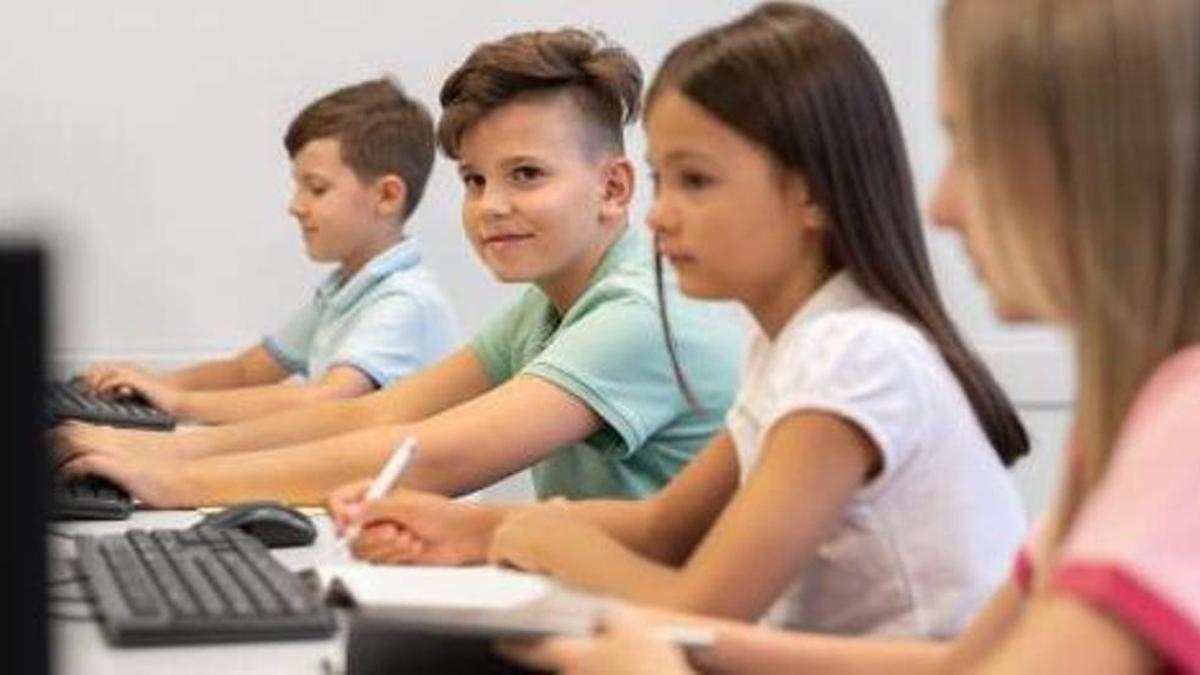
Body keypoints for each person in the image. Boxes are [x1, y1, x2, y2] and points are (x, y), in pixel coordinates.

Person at [501, 0, 1200, 671]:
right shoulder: (1131, 432)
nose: (943, 205)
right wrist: (666, 640)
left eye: (971, 148)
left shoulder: (854, 351)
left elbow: (699, 595)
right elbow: (959, 666)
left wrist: (649, 640)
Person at [332, 2, 1028, 639]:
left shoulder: (853, 354)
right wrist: (471, 528)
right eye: (664, 181)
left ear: (812, 191)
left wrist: (538, 538)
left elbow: (699, 607)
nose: (660, 214)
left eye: (695, 181)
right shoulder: (789, 345)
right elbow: (662, 527)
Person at [54, 28, 741, 508]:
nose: (491, 206)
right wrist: (165, 456)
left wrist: (178, 476)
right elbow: (380, 413)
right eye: (474, 180)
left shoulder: (640, 312)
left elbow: (429, 455)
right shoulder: (547, 305)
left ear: (614, 188)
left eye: (525, 174)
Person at [79, 77, 459, 424]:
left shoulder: (405, 303)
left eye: (317, 188)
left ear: (387, 195)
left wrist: (176, 403)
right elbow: (246, 372)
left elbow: (327, 400)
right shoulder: (346, 288)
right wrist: (151, 386)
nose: (296, 206)